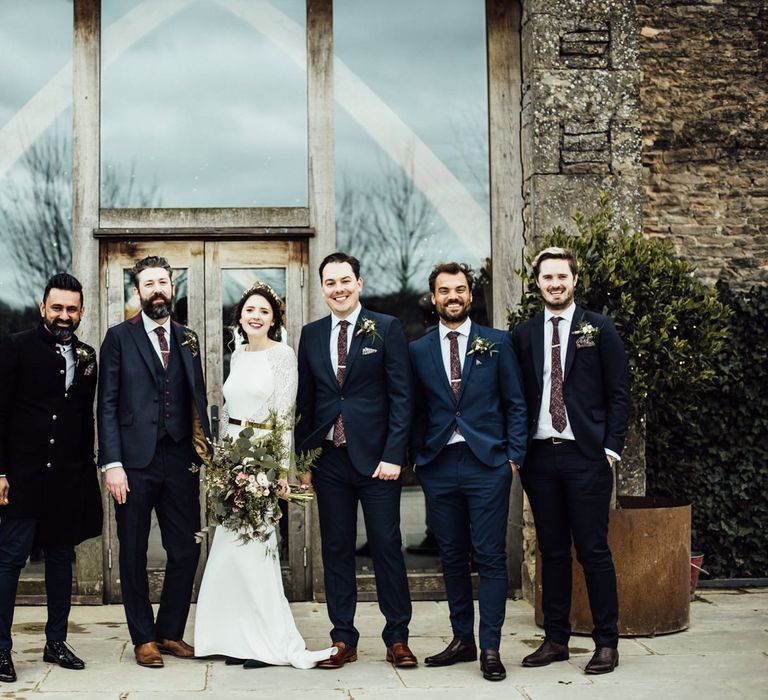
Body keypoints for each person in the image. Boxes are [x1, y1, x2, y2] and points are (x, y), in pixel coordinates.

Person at [194, 283, 334, 669]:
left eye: (264, 312)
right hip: (232, 457)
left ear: (274, 320)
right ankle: (238, 639)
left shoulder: (283, 356)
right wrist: (221, 464)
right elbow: (228, 410)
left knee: (257, 552)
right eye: (250, 310)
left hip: (262, 458)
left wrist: (280, 472)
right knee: (229, 554)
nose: (256, 316)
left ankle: (268, 643)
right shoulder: (237, 355)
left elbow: (284, 418)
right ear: (240, 316)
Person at [511, 246, 630, 675]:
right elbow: (517, 395)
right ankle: (556, 639)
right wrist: (517, 451)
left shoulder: (599, 328)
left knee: (594, 550)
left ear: (574, 280)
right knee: (552, 549)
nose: (555, 284)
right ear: (538, 282)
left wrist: (611, 450)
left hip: (586, 456)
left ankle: (607, 642)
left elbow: (619, 392)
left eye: (562, 277)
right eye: (547, 278)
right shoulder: (524, 335)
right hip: (539, 456)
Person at [295, 252, 416, 670]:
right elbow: (306, 403)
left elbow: (403, 397)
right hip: (330, 460)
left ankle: (397, 636)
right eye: (330, 282)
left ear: (359, 283)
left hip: (378, 462)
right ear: (322, 288)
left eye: (345, 280)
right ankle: (343, 637)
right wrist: (305, 460)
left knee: (386, 546)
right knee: (336, 548)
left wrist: (394, 455)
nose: (339, 289)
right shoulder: (311, 335)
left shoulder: (386, 328)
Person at [409, 262, 527, 682]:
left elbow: (516, 402)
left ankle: (490, 647)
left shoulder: (497, 343)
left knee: (491, 557)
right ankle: (462, 640)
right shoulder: (418, 350)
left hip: (487, 464)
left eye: (459, 289)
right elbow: (413, 409)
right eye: (444, 291)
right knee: (452, 556)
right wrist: (418, 459)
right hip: (438, 466)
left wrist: (513, 457)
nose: (452, 296)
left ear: (470, 296)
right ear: (434, 298)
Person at [97, 256, 211, 668]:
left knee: (185, 550)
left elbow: (196, 399)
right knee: (132, 552)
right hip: (133, 462)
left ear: (172, 288)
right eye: (149, 284)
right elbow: (106, 404)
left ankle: (169, 632)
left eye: (163, 282)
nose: (158, 290)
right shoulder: (118, 338)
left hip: (180, 459)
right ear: (138, 292)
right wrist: (111, 463)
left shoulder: (188, 337)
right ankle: (143, 637)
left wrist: (206, 452)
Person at [0, 273, 102, 683]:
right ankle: (2, 650)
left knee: (61, 561)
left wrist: (86, 471)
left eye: (71, 309)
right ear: (43, 308)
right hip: (22, 475)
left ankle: (56, 640)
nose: (64, 315)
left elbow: (83, 418)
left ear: (81, 312)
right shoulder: (14, 348)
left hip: (67, 477)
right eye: (56, 308)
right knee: (10, 561)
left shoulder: (88, 356)